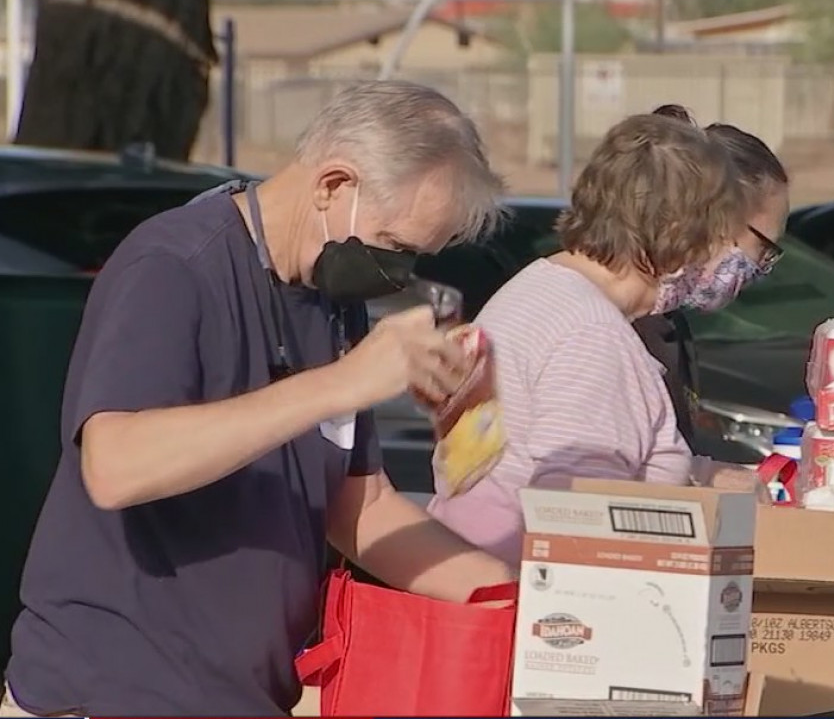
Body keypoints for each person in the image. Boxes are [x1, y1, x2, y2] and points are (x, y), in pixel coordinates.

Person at [2, 81, 515, 717]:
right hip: (114, 692)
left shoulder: (329, 302)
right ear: (333, 185)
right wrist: (341, 382)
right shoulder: (174, 266)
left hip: (241, 694)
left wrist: (515, 601)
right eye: (397, 245)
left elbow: (360, 506)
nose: (399, 272)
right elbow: (114, 466)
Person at [428, 112, 778, 566]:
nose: (728, 257)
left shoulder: (543, 290)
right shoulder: (591, 336)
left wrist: (700, 475)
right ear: (678, 232)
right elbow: (584, 521)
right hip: (522, 607)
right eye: (721, 235)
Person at [632, 105, 791, 444]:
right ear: (713, 217)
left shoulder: (669, 324)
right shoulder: (601, 328)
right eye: (764, 247)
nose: (762, 267)